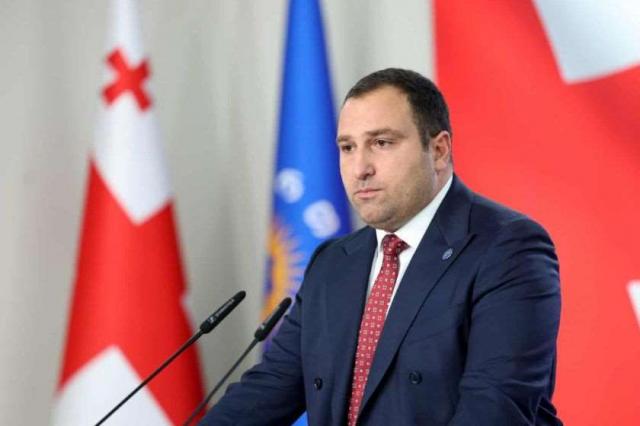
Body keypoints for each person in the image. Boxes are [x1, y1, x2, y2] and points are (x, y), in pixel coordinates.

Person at [201, 68, 562, 425]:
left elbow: (494, 410)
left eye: (381, 143)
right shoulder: (333, 263)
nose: (360, 168)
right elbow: (270, 388)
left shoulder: (507, 248)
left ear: (438, 150)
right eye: (348, 147)